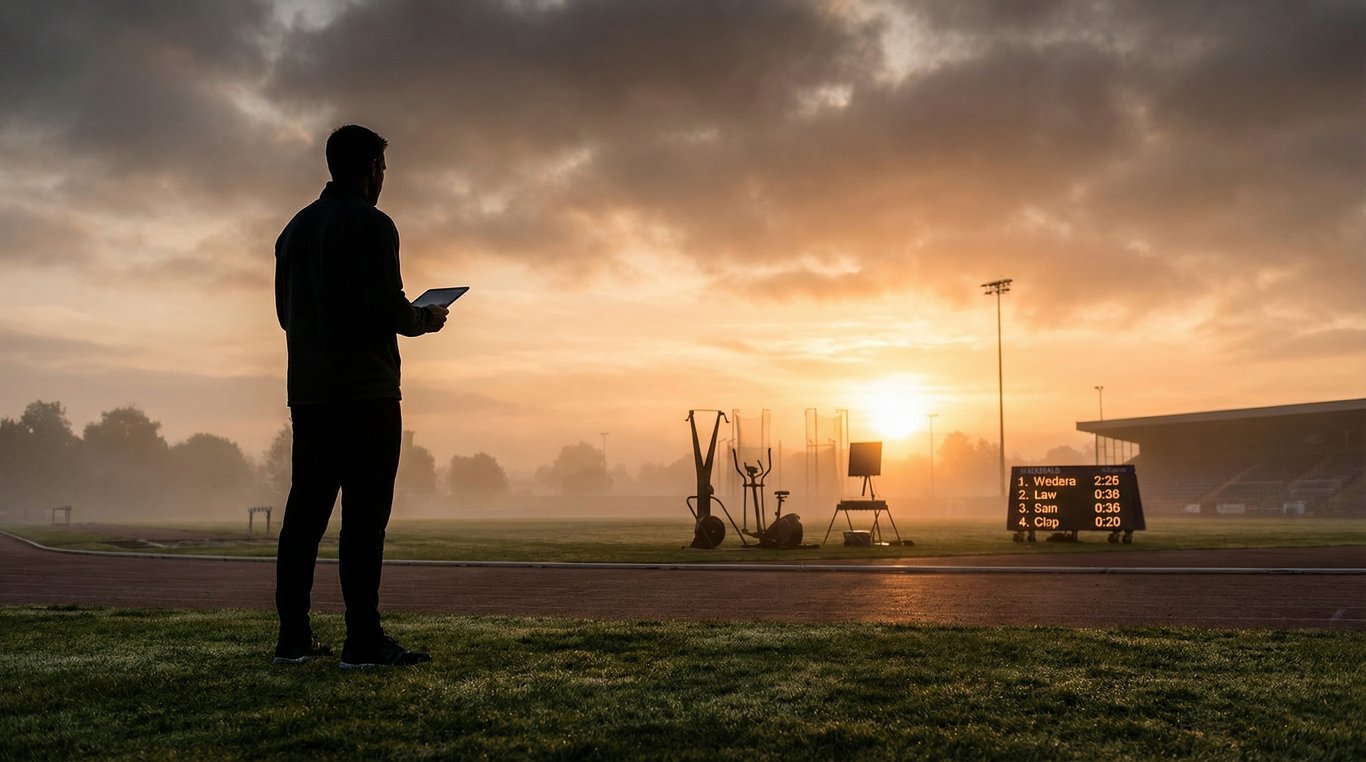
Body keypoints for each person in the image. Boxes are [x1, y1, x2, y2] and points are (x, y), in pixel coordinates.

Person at [272, 124, 448, 668]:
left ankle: (293, 638)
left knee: (304, 516)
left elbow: (285, 315)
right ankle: (362, 639)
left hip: (309, 392)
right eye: (383, 171)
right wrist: (425, 318)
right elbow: (388, 307)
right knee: (365, 520)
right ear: (370, 168)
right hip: (367, 393)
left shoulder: (293, 231)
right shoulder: (374, 225)